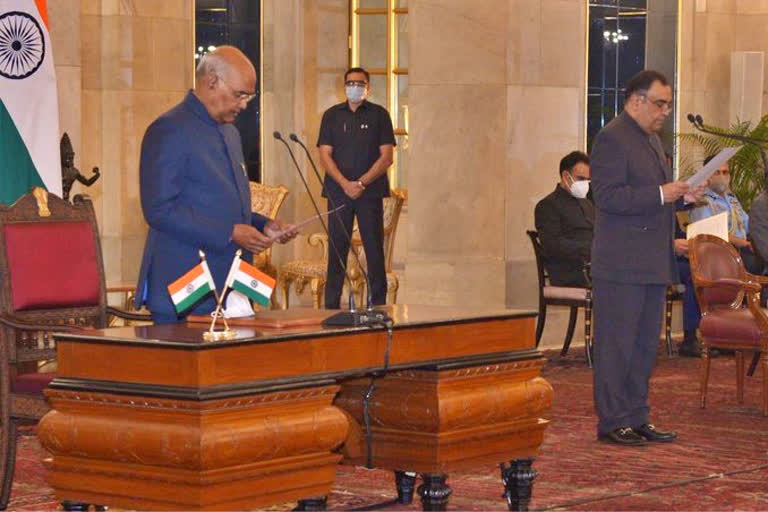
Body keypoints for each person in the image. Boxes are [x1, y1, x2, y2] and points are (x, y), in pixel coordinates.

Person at [134, 46, 296, 323]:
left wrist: (262, 224)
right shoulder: (168, 129)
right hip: (184, 288)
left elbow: (221, 203)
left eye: (249, 96)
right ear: (212, 82)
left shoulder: (230, 132)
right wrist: (230, 232)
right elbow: (159, 210)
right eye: (239, 95)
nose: (244, 104)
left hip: (231, 288)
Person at [590, 69, 704, 446]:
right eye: (660, 104)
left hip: (652, 260)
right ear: (636, 100)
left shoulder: (651, 141)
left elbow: (656, 196)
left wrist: (681, 197)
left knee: (643, 346)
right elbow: (608, 198)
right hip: (621, 263)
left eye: (668, 105)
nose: (665, 112)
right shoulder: (611, 138)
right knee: (617, 344)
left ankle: (637, 415)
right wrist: (661, 194)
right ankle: (612, 420)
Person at [317, 67, 396, 309]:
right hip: (339, 191)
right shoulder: (331, 115)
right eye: (350, 83)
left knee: (373, 248)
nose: (355, 87)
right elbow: (324, 153)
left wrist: (361, 183)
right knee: (337, 248)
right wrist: (345, 183)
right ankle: (331, 306)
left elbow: (387, 157)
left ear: (368, 87)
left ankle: (378, 304)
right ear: (344, 86)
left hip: (369, 193)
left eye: (359, 83)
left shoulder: (379, 115)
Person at [689, 156, 761, 274]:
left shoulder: (732, 199)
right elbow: (711, 233)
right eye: (717, 172)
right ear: (707, 175)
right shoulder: (701, 201)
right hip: (722, 253)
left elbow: (749, 225)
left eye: (725, 172)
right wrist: (743, 243)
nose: (722, 177)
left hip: (745, 249)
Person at [534, 151, 594, 287]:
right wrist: (590, 248)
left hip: (594, 266)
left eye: (587, 180)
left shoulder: (588, 204)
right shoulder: (548, 205)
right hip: (570, 270)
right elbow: (553, 245)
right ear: (565, 176)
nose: (585, 184)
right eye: (581, 179)